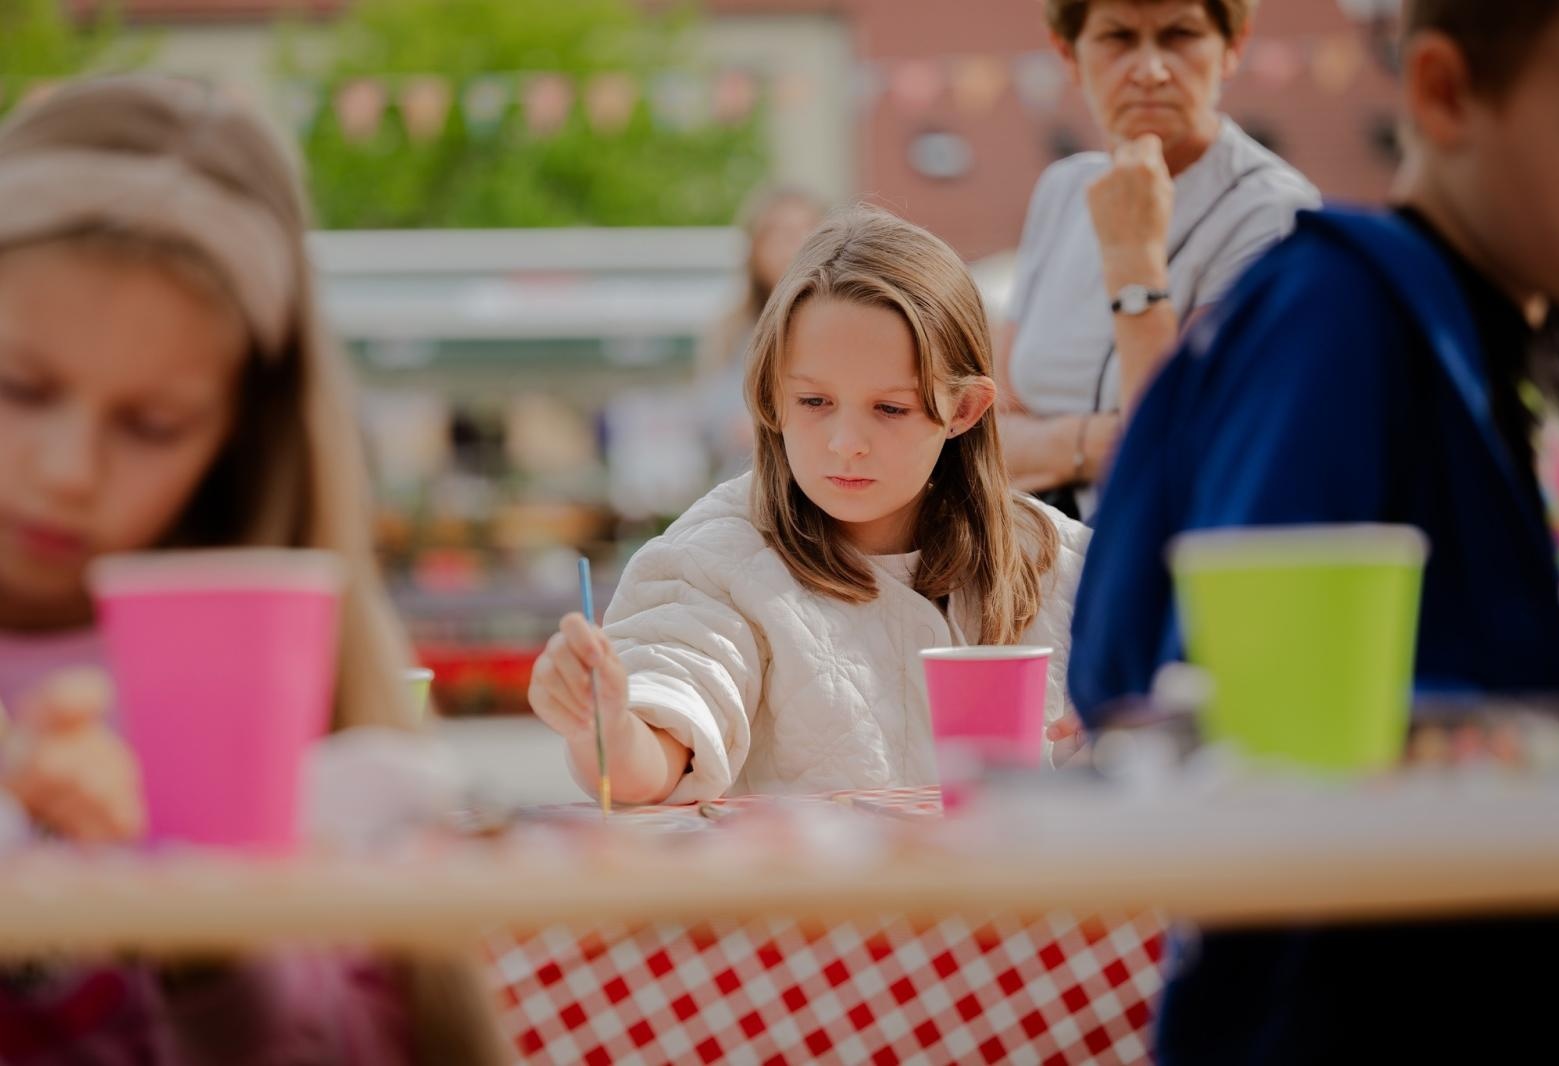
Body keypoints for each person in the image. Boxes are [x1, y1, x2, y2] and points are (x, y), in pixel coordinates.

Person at [1067, 0, 1559, 1059]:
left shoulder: (1555, 354)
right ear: (1444, 92)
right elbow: (1227, 706)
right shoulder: (1331, 316)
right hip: (1344, 1009)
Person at [0, 77, 506, 1065]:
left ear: (240, 436)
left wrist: (205, 929)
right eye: (17, 386)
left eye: (153, 425)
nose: (66, 471)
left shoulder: (263, 697)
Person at [529, 207, 1091, 804]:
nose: (845, 442)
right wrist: (605, 724)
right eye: (816, 401)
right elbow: (654, 756)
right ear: (772, 396)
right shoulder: (713, 559)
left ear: (964, 410)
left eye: (890, 409)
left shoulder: (1060, 561)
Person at [997, 0, 1319, 518]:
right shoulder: (1062, 189)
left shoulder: (1274, 214)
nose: (1150, 71)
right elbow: (989, 434)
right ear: (1068, 53)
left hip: (1162, 562)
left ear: (1233, 47)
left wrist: (1134, 260)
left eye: (1180, 35)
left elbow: (1179, 446)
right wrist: (1097, 441)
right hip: (1033, 564)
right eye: (1118, 37)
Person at [696, 186, 827, 482]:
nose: (794, 245)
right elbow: (718, 421)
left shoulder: (844, 324)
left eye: (806, 230)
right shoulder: (732, 329)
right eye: (780, 233)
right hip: (751, 484)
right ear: (755, 245)